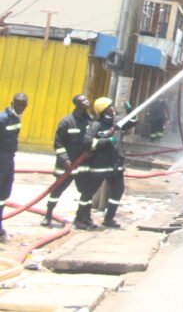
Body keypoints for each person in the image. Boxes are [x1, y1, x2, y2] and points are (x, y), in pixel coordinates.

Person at [76, 98, 135, 230]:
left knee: (118, 191)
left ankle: (109, 218)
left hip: (115, 164)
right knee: (88, 192)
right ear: (103, 110)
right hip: (100, 164)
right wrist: (107, 140)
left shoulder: (117, 122)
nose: (113, 108)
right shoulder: (96, 125)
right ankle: (81, 218)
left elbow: (133, 121)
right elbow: (88, 142)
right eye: (110, 106)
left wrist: (129, 109)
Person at [42, 94, 92, 227]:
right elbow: (58, 144)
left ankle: (83, 218)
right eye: (83, 100)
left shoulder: (90, 121)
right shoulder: (67, 121)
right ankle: (48, 215)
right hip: (67, 166)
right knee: (56, 191)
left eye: (87, 99)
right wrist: (65, 160)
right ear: (76, 104)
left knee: (86, 192)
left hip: (83, 165)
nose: (87, 101)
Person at [0, 93, 28, 241]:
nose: (21, 107)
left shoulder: (16, 118)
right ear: (12, 103)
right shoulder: (3, 119)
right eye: (19, 104)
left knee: (4, 193)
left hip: (9, 158)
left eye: (24, 104)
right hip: (1, 158)